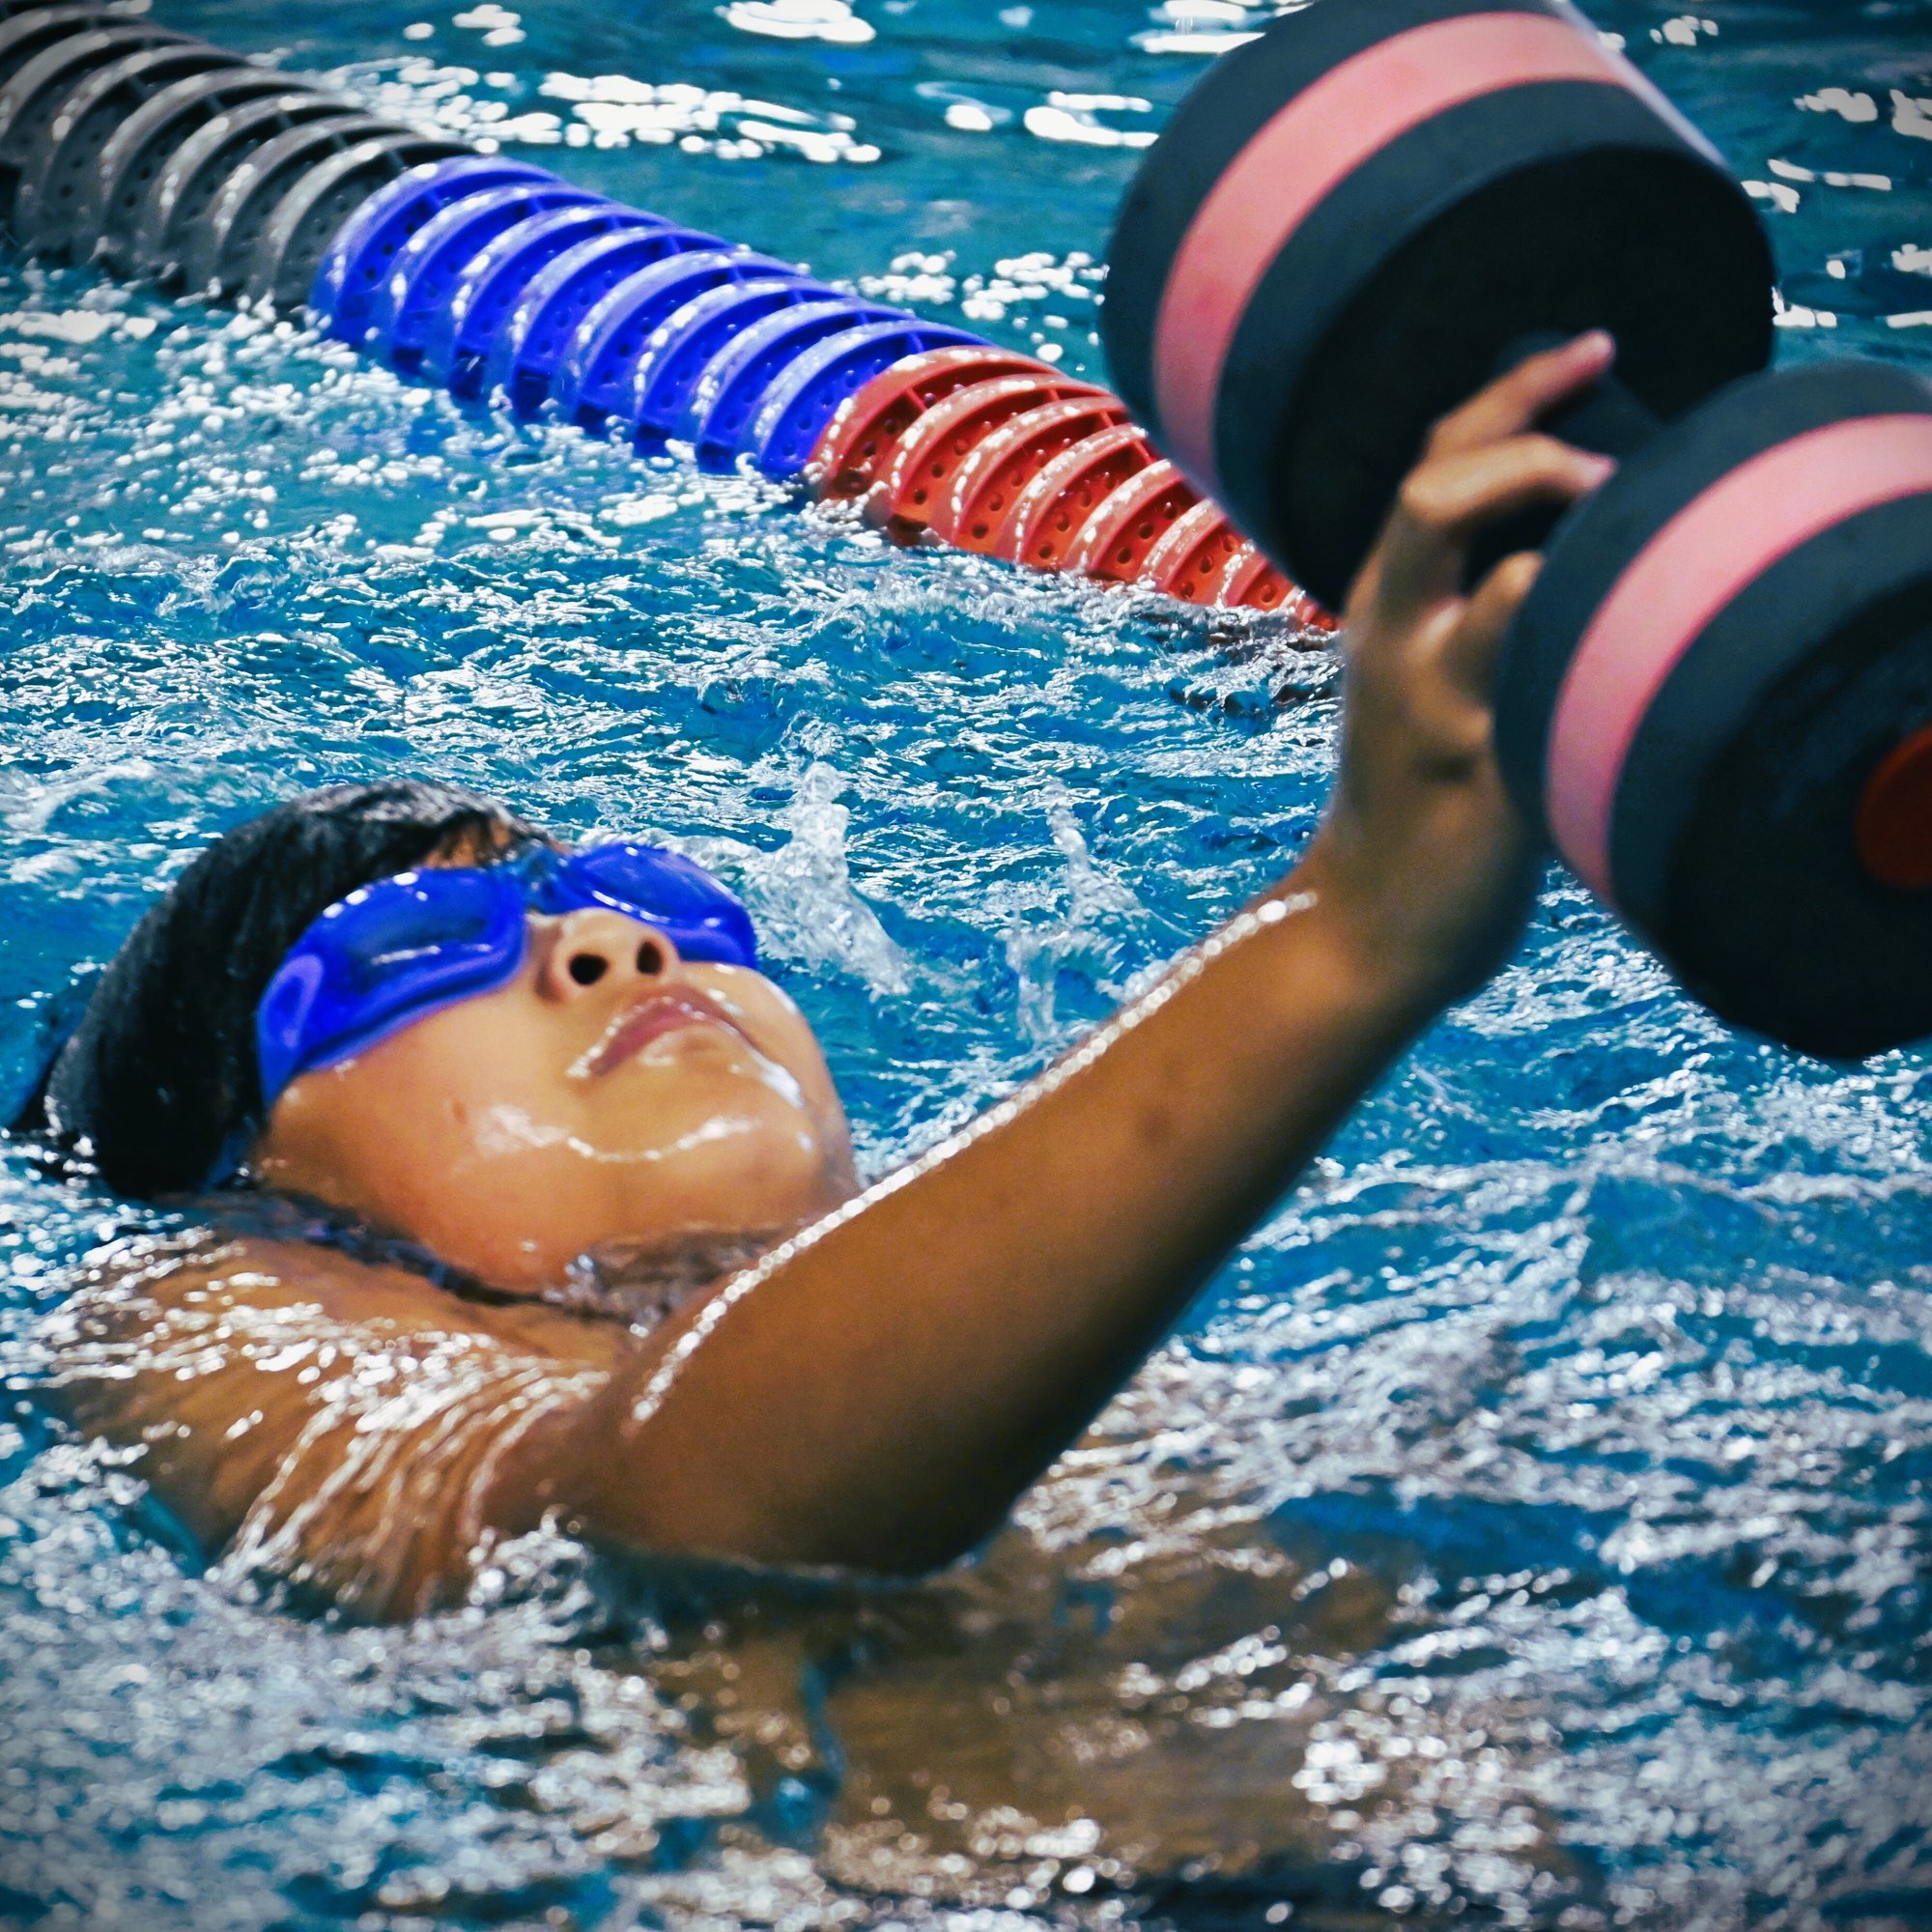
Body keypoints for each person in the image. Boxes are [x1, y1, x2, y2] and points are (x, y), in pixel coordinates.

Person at [23, 335, 1619, 1623]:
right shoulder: (197, 1311)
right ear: (249, 1156)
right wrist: (1346, 933)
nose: (615, 945)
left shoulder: (1041, 1323)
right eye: (417, 952)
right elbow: (652, 1512)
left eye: (646, 901)